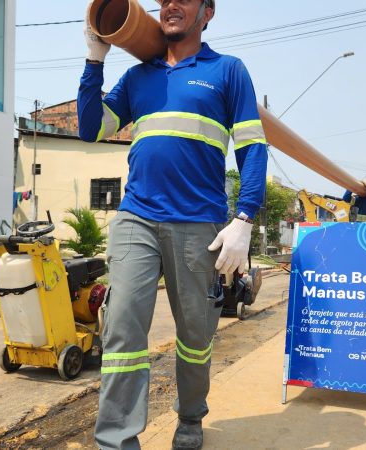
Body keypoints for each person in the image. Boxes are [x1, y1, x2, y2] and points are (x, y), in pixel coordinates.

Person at [77, 1, 267, 449]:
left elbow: (252, 147)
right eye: (164, 0)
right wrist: (94, 60)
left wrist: (244, 218)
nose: (170, 5)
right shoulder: (138, 76)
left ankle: (190, 417)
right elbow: (90, 128)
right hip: (136, 217)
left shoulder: (227, 71)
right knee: (122, 329)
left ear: (207, 12)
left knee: (196, 335)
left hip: (199, 223)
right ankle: (116, 440)